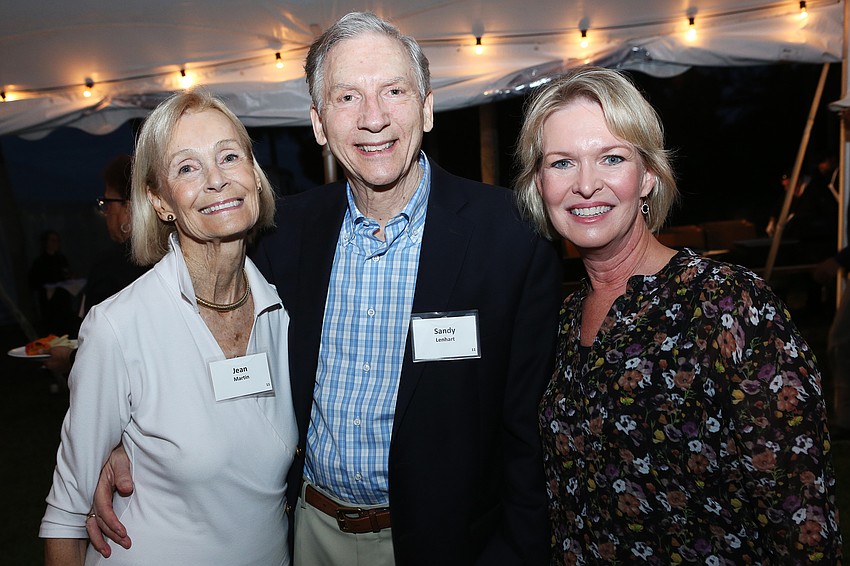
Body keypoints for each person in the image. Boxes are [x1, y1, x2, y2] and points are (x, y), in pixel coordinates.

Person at [89, 11, 563, 566]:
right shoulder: (279, 234)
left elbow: (528, 431)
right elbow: (200, 330)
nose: (374, 119)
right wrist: (124, 440)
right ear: (318, 123)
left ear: (427, 106)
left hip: (450, 542)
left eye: (393, 91)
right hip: (307, 534)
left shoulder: (510, 235)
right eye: (346, 98)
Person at [514, 67, 842, 564]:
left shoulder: (727, 305)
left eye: (611, 158)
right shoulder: (560, 322)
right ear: (539, 183)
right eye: (561, 163)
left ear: (647, 175)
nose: (585, 184)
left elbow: (800, 515)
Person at [39, 89, 297, 565]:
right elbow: (66, 514)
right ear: (159, 202)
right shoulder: (120, 326)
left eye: (229, 156)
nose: (218, 180)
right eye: (187, 167)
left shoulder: (281, 310)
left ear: (254, 175)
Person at [45, 155, 150, 376]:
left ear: (128, 207)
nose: (104, 213)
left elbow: (99, 346)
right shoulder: (176, 256)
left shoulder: (112, 265)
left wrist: (68, 359)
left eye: (106, 203)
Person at [28, 229, 73, 335]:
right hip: (49, 303)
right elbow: (33, 282)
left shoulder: (61, 259)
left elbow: (65, 275)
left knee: (65, 327)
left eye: (57, 241)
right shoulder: (39, 261)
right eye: (53, 241)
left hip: (63, 300)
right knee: (52, 329)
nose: (56, 243)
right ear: (46, 243)